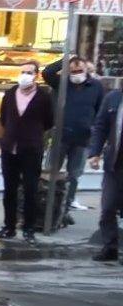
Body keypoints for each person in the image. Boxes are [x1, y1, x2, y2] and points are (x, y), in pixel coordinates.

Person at [0, 60, 54, 242]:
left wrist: (32, 133)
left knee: (30, 189)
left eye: (29, 72)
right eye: (22, 71)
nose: (25, 75)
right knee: (9, 190)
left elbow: (49, 121)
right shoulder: (10, 93)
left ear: (36, 75)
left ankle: (29, 228)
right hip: (9, 147)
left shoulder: (44, 96)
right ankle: (9, 226)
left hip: (31, 148)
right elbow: (4, 117)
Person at [43, 56, 104, 218]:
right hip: (60, 135)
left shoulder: (96, 86)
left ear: (86, 70)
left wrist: (95, 135)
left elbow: (100, 111)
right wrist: (65, 59)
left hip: (82, 137)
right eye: (73, 71)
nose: (76, 74)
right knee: (51, 169)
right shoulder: (62, 83)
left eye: (80, 71)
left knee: (74, 173)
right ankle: (47, 201)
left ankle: (68, 203)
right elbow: (47, 72)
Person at [89, 85, 123, 262]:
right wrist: (94, 153)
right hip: (115, 163)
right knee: (108, 206)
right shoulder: (113, 98)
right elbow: (100, 126)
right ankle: (110, 247)